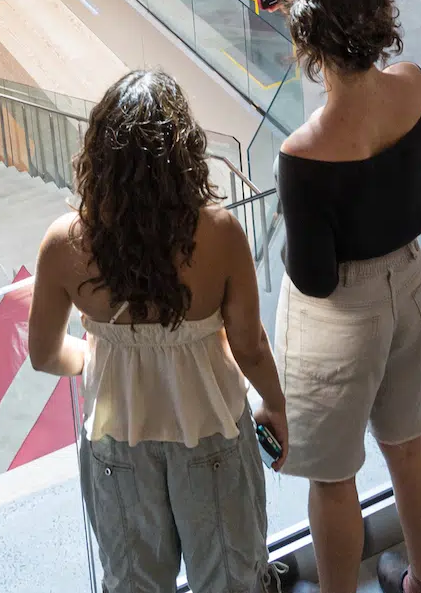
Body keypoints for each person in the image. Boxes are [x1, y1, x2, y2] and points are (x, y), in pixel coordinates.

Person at [28, 70, 293, 593]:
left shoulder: (63, 245)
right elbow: (249, 345)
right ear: (184, 156)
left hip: (115, 437)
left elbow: (43, 354)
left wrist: (98, 355)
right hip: (211, 428)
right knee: (230, 578)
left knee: (135, 582)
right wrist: (276, 405)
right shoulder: (218, 234)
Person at [273, 0, 421, 593]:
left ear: (311, 45)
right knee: (409, 446)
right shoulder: (414, 85)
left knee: (334, 478)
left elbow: (314, 277)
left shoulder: (304, 151)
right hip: (413, 284)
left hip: (343, 318)